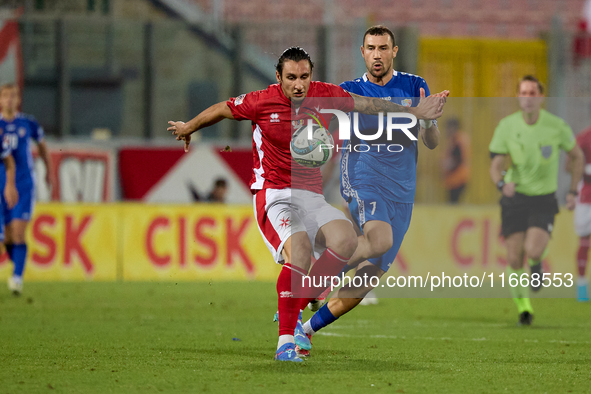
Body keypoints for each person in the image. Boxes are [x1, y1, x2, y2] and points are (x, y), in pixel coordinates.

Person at [168, 46, 448, 362]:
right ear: (278, 77)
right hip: (275, 194)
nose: (298, 84)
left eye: (304, 77)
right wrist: (188, 127)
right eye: (291, 78)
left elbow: (369, 105)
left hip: (311, 195)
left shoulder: (325, 95)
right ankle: (286, 342)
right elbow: (222, 108)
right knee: (299, 249)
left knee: (344, 239)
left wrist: (415, 113)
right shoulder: (261, 101)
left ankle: (298, 304)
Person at [301, 25, 445, 346]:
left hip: (403, 191)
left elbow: (432, 142)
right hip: (364, 175)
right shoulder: (350, 88)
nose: (377, 55)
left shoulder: (415, 86)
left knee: (363, 284)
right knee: (379, 239)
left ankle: (305, 331)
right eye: (371, 48)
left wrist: (427, 121)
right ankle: (314, 282)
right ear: (362, 52)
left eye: (383, 48)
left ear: (394, 52)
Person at [489, 75, 584, 325]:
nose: (528, 98)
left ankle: (536, 263)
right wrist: (501, 182)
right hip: (515, 198)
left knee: (532, 250)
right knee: (512, 259)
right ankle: (524, 309)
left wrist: (573, 191)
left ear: (541, 98)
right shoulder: (506, 126)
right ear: (518, 97)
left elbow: (578, 157)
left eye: (533, 93)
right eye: (523, 93)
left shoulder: (556, 126)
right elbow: (496, 163)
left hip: (543, 199)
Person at [0, 83, 53, 296]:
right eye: (5, 96)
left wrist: (49, 171)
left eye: (13, 96)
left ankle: (17, 279)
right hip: (1, 185)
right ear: (0, 100)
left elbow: (42, 147)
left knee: (19, 233)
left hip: (23, 185)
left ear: (18, 99)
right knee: (8, 238)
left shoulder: (27, 123)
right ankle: (17, 268)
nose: (10, 100)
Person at [569, 125, 591, 302]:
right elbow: (568, 165)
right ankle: (582, 285)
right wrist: (585, 169)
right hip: (586, 195)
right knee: (584, 240)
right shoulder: (583, 138)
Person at [441, 117, 471, 204]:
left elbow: (459, 158)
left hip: (457, 178)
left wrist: (447, 165)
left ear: (453, 127)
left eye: (447, 128)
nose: (446, 130)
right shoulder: (457, 139)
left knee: (454, 204)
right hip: (456, 178)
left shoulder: (458, 140)